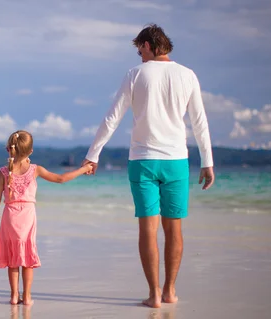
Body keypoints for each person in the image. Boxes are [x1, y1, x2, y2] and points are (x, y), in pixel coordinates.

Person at [82, 24, 215, 308]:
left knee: (148, 229)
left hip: (142, 161)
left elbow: (112, 117)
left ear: (149, 44)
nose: (139, 55)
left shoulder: (135, 75)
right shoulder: (187, 75)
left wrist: (93, 155)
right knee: (174, 229)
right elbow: (199, 122)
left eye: (139, 49)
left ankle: (154, 295)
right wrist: (207, 161)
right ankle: (169, 291)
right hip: (176, 161)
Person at [0, 130, 93, 305]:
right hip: (27, 217)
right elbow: (60, 179)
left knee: (13, 257)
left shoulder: (3, 171)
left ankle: (14, 296)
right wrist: (84, 169)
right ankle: (27, 296)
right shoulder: (35, 169)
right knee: (26, 257)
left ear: (9, 149)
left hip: (9, 216)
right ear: (31, 151)